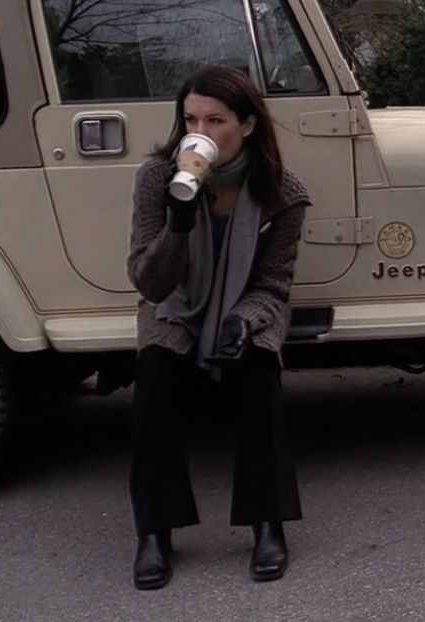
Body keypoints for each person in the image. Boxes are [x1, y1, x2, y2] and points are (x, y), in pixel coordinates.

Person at [126, 65, 311, 590]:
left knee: (259, 376)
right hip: (176, 308)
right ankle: (155, 533)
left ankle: (267, 525)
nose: (200, 135)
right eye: (190, 120)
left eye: (215, 120)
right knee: (155, 383)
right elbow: (150, 283)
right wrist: (177, 223)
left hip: (243, 306)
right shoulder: (156, 179)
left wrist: (242, 322)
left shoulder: (282, 192)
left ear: (247, 125)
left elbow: (274, 285)